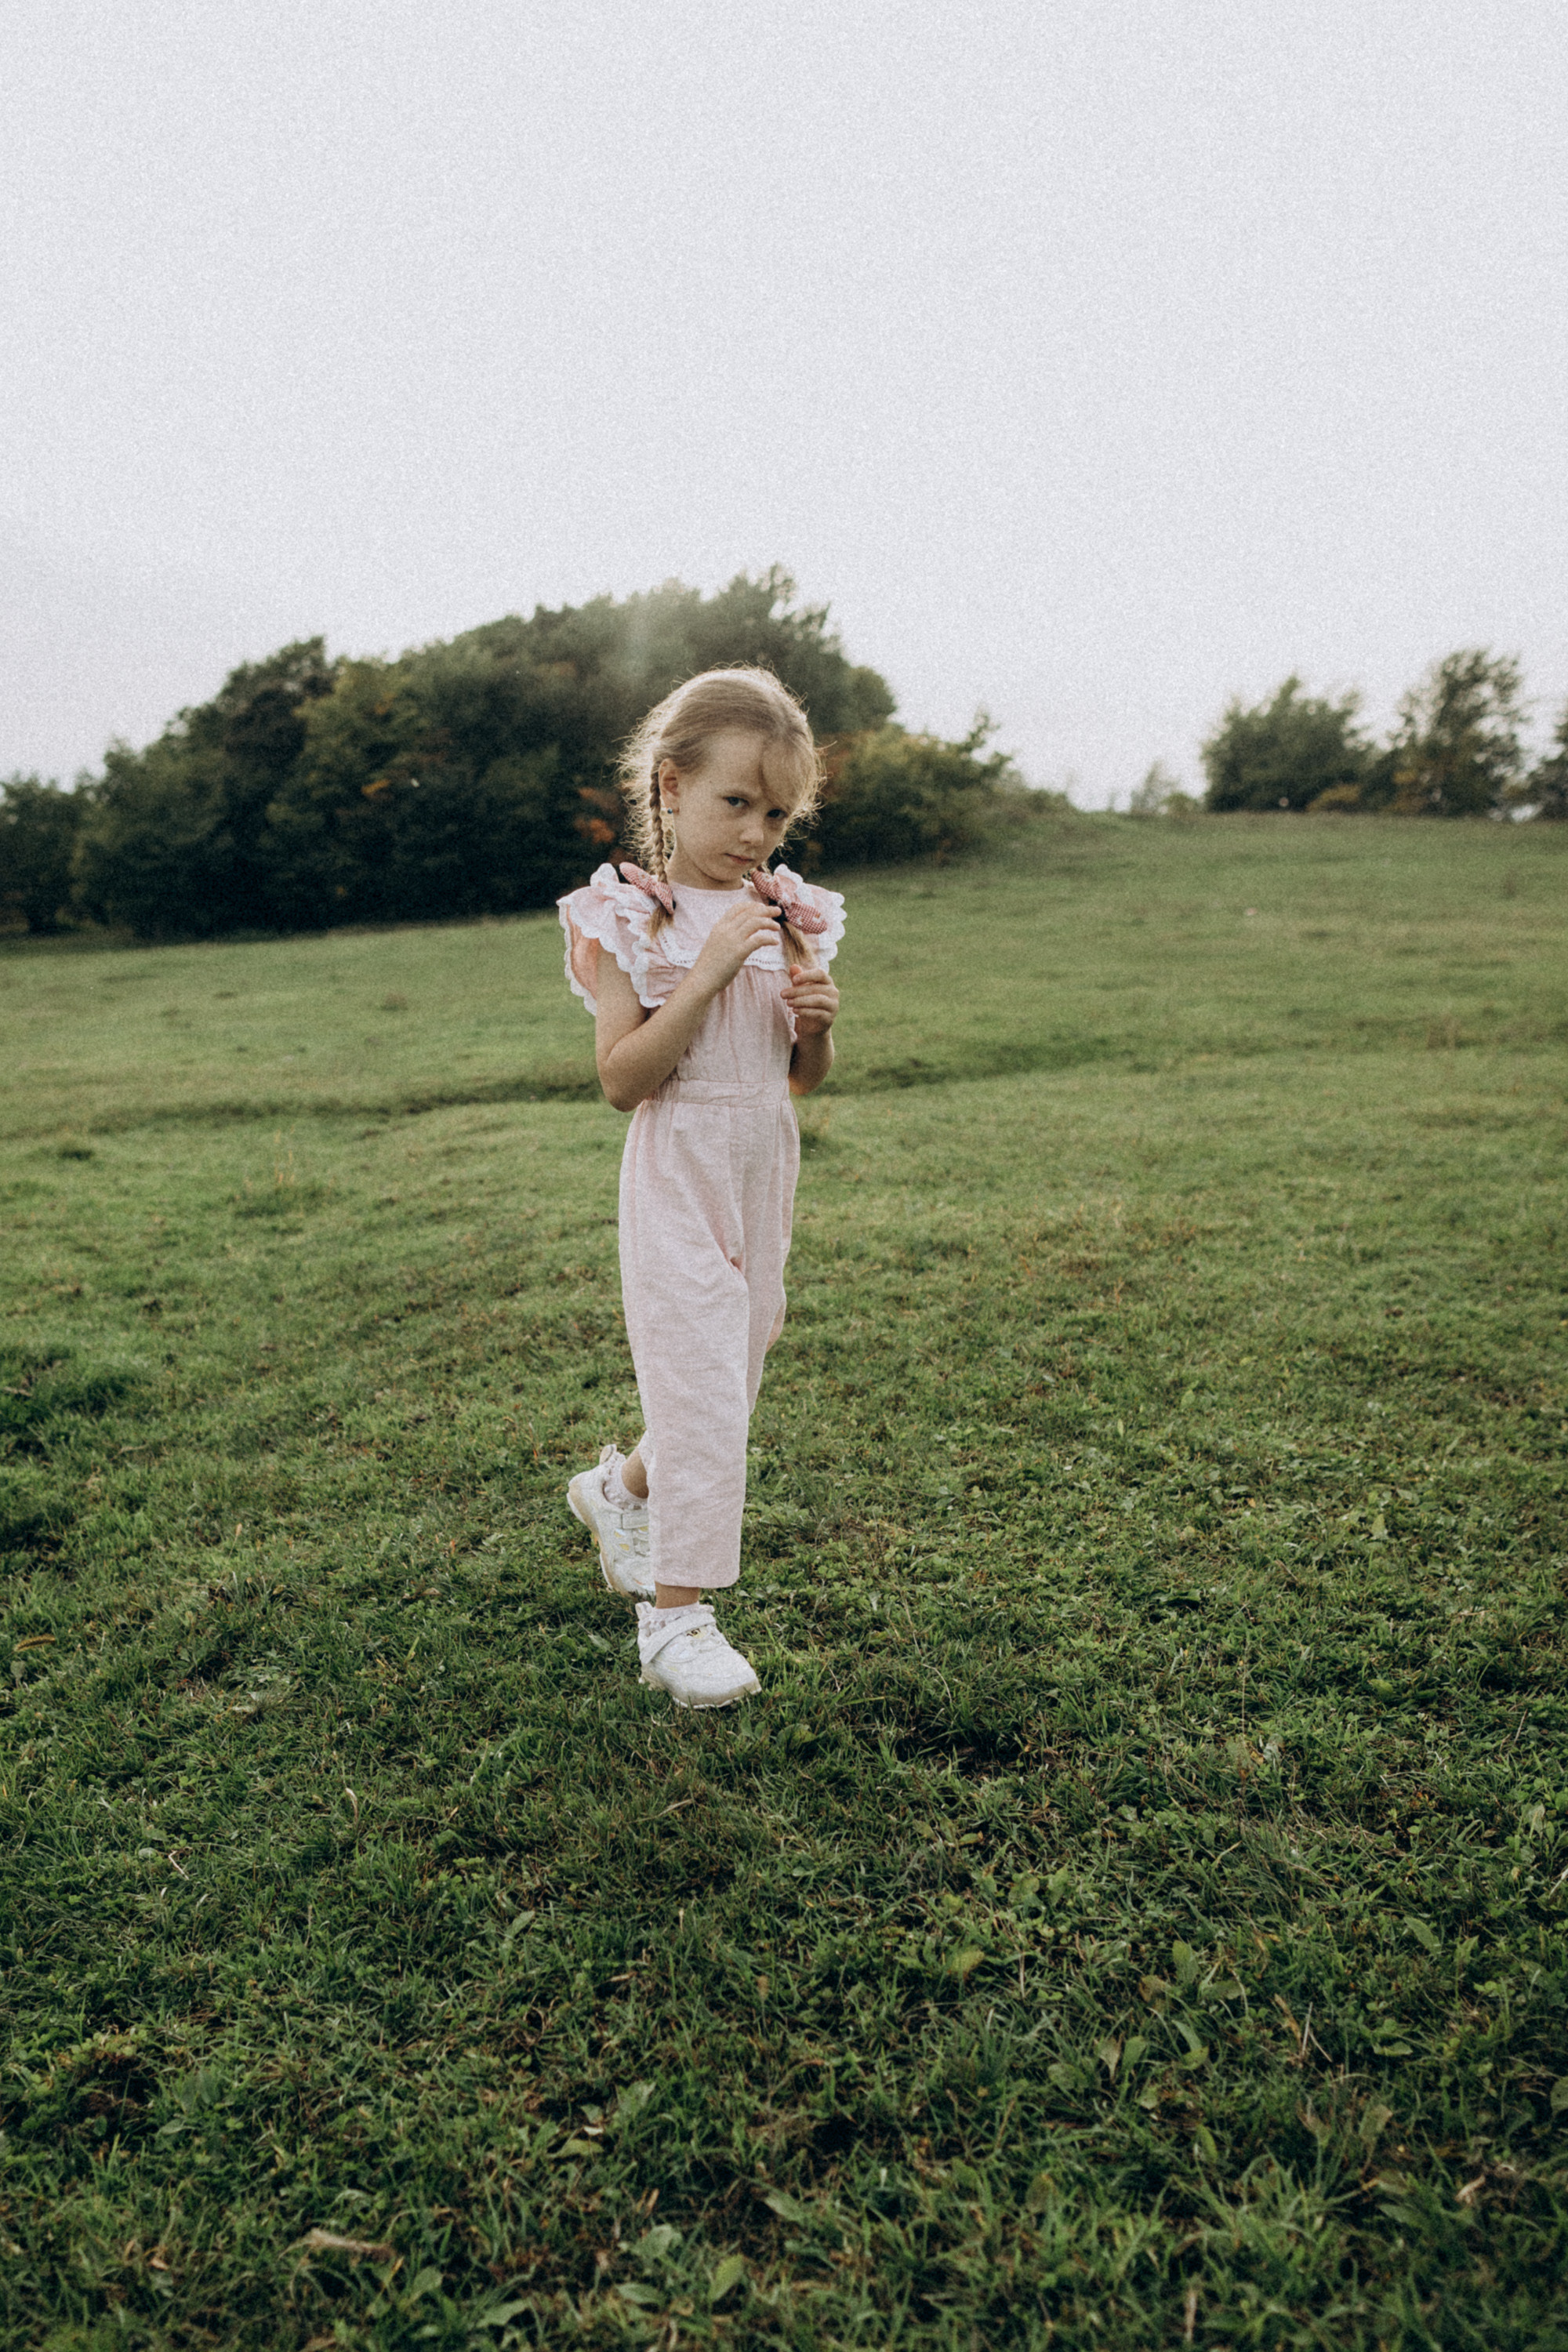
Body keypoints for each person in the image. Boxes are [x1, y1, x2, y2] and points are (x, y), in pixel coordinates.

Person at [557, 668, 844, 1708]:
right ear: (671, 789)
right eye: (736, 803)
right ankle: (676, 1620)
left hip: (762, 1163)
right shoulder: (633, 918)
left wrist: (814, 1015)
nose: (757, 832)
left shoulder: (785, 909)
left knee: (740, 1356)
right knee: (706, 1389)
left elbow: (801, 1077)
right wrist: (713, 968)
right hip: (678, 1166)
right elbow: (624, 1081)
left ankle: (620, 1487)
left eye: (776, 812)